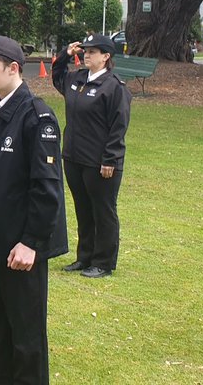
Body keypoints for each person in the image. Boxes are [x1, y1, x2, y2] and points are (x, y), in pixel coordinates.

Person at [0, 36, 68, 384]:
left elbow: (46, 187)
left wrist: (31, 242)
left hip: (20, 251)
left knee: (26, 340)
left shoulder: (37, 117)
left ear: (13, 68)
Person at [51, 34, 132, 278]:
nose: (86, 54)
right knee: (83, 209)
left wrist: (110, 159)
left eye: (93, 51)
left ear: (106, 57)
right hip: (75, 157)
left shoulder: (114, 86)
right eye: (85, 51)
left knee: (103, 211)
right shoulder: (77, 78)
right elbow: (57, 76)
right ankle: (84, 256)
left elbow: (119, 126)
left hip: (100, 162)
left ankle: (103, 262)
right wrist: (66, 54)